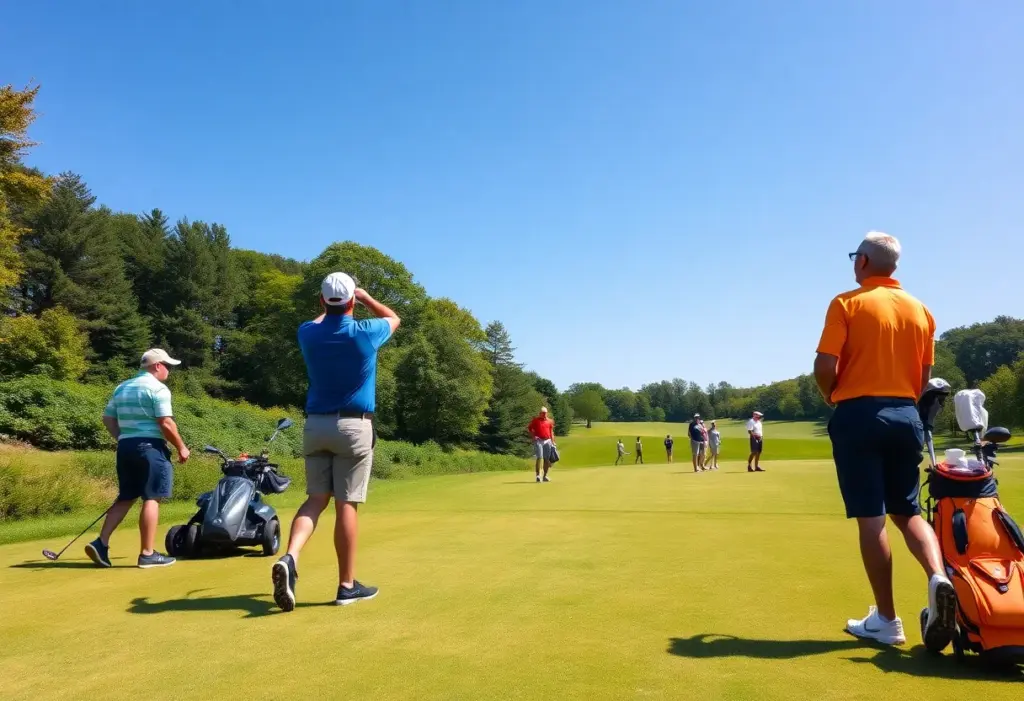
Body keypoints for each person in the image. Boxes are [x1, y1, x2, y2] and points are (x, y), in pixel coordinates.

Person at [814, 231, 955, 648]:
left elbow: (825, 364)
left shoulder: (847, 302)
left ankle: (888, 621)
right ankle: (938, 577)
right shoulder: (922, 310)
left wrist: (831, 395)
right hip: (906, 415)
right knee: (907, 509)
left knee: (872, 516)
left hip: (859, 414)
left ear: (862, 262)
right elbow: (923, 377)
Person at [272, 272, 400, 612]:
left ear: (321, 302)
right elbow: (393, 318)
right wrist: (366, 294)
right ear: (353, 302)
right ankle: (346, 585)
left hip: (315, 425)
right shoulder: (365, 333)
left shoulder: (308, 334)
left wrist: (327, 306)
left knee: (315, 499)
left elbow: (318, 321)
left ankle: (290, 556)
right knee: (346, 504)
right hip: (353, 427)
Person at [85, 349, 189, 569]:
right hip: (150, 448)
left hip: (126, 447)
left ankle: (101, 544)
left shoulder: (122, 387)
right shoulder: (158, 388)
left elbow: (107, 418)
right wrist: (181, 447)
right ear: (157, 366)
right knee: (152, 497)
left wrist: (122, 437)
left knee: (126, 497)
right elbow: (166, 423)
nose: (169, 371)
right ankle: (147, 554)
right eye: (167, 366)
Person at [528, 407, 556, 482]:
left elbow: (551, 432)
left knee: (547, 459)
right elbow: (530, 428)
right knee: (539, 457)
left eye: (545, 413)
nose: (544, 414)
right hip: (538, 440)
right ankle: (538, 475)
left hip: (548, 440)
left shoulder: (550, 421)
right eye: (542, 413)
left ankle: (545, 476)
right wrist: (533, 437)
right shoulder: (535, 420)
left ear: (547, 413)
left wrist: (553, 442)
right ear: (540, 413)